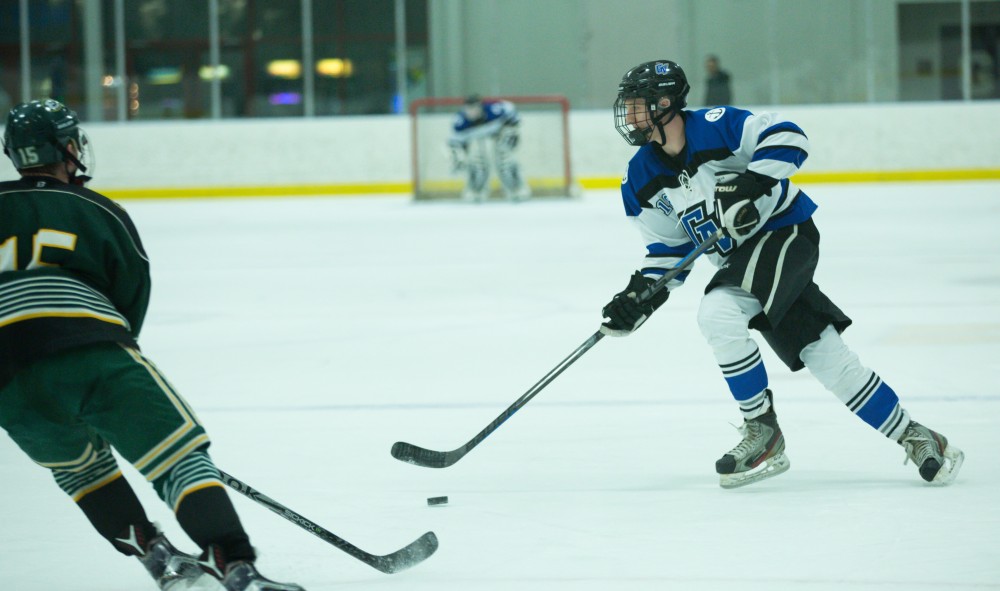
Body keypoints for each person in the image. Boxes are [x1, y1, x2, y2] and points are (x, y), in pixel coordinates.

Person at [601, 60, 964, 489]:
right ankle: (917, 435)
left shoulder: (718, 126)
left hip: (785, 234)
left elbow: (790, 137)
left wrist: (753, 181)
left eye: (638, 105)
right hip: (743, 265)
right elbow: (670, 250)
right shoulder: (639, 177)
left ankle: (762, 429)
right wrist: (639, 296)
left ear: (665, 104)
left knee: (718, 313)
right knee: (826, 356)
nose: (630, 116)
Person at [0, 99, 305, 590]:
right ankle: (237, 568)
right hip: (87, 346)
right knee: (177, 460)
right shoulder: (97, 208)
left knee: (82, 473)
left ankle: (159, 560)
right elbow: (129, 298)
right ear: (68, 147)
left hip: (6, 381)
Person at [448, 94, 531, 202]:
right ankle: (475, 190)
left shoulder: (495, 110)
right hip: (477, 140)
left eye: (475, 108)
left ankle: (516, 188)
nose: (472, 112)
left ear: (480, 107)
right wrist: (458, 157)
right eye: (469, 109)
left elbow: (512, 113)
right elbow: (455, 142)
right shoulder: (460, 122)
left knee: (505, 160)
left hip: (500, 133)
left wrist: (513, 131)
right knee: (477, 162)